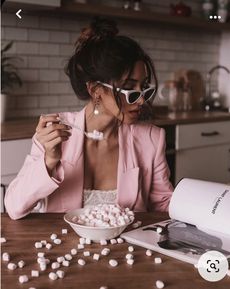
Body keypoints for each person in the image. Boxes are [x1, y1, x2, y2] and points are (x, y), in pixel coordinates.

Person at [4, 18, 173, 220]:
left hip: (128, 249)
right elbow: (14, 207)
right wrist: (49, 161)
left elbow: (163, 205)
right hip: (62, 246)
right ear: (96, 90)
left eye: (144, 86)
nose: (142, 99)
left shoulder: (151, 139)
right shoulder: (55, 132)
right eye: (129, 88)